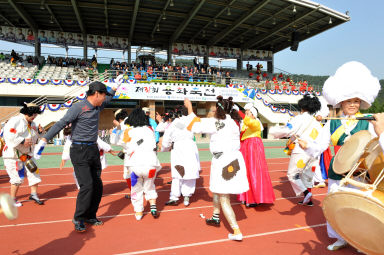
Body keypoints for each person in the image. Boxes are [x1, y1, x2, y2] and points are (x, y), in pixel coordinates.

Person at [297, 61, 380, 251]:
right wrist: (307, 145)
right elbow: (320, 145)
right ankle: (339, 238)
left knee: (359, 206)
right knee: (336, 204)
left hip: (360, 171)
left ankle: (360, 239)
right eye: (349, 101)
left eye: (356, 101)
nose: (353, 105)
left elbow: (377, 145)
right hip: (337, 168)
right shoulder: (331, 123)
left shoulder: (367, 122)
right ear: (342, 102)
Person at [35, 75, 124, 232]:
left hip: (93, 149)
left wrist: (115, 86)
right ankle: (78, 218)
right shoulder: (78, 107)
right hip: (79, 150)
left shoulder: (98, 106)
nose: (105, 99)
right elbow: (61, 123)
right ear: (96, 94)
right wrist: (44, 139)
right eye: (103, 95)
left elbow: (109, 98)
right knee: (87, 185)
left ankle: (91, 215)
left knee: (97, 185)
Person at [183, 96, 249, 241]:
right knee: (217, 189)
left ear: (218, 109)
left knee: (224, 197)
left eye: (214, 108)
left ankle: (236, 231)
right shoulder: (234, 122)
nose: (213, 110)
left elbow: (194, 126)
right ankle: (215, 216)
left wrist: (189, 108)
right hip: (234, 160)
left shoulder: (217, 123)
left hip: (223, 161)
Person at [269, 95, 322, 206]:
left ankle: (307, 193)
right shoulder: (317, 123)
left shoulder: (299, 118)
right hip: (314, 152)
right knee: (307, 176)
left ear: (302, 106)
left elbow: (288, 129)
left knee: (292, 174)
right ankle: (309, 200)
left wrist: (273, 130)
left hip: (301, 151)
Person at [120, 109, 161, 220]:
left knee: (136, 188)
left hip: (134, 165)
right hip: (151, 164)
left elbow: (122, 143)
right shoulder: (150, 129)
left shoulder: (128, 131)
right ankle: (153, 206)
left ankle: (138, 212)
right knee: (150, 185)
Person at [2, 103, 44, 207]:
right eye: (33, 114)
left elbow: (35, 137)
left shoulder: (33, 124)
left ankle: (34, 194)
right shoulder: (15, 121)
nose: (34, 116)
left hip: (28, 155)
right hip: (13, 155)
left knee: (34, 172)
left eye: (36, 114)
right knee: (17, 178)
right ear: (27, 112)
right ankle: (12, 199)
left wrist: (40, 133)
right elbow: (8, 135)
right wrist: (22, 141)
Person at [160, 107, 200, 207]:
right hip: (190, 147)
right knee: (190, 170)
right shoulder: (192, 121)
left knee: (178, 172)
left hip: (178, 148)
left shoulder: (174, 123)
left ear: (178, 114)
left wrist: (165, 148)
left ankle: (174, 197)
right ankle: (187, 196)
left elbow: (166, 139)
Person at [238, 103, 275, 206]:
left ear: (253, 115)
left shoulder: (256, 122)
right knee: (246, 172)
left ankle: (255, 197)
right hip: (246, 146)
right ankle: (246, 196)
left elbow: (249, 122)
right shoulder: (245, 123)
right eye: (245, 113)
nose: (246, 114)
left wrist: (238, 112)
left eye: (248, 113)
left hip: (253, 146)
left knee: (254, 171)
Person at [109, 109, 131, 199]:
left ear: (118, 118)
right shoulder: (135, 121)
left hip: (130, 153)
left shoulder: (120, 126)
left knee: (127, 174)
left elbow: (113, 141)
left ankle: (134, 192)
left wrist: (112, 132)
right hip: (142, 151)